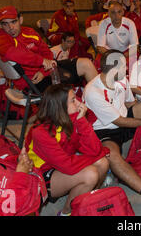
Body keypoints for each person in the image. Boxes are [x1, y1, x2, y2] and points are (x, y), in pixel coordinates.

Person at [84, 50, 141, 216]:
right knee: (111, 155)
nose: (127, 70)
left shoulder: (121, 79)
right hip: (104, 129)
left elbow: (130, 103)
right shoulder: (93, 91)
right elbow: (118, 121)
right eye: (124, 67)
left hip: (123, 117)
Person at [25, 84, 110, 216]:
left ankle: (87, 199)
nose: (79, 103)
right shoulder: (40, 132)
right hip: (40, 175)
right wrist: (97, 156)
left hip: (61, 166)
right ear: (60, 107)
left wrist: (82, 121)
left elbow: (95, 150)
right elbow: (67, 166)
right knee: (91, 174)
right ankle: (65, 213)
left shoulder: (71, 119)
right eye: (73, 100)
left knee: (103, 162)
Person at [0, 5, 97, 93]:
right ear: (0, 25)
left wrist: (44, 70)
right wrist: (42, 61)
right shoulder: (1, 38)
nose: (10, 27)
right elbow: (14, 54)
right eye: (5, 24)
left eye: (13, 22)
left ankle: (101, 100)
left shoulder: (29, 31)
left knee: (86, 63)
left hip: (45, 71)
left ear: (20, 20)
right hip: (31, 81)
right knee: (68, 84)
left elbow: (47, 52)